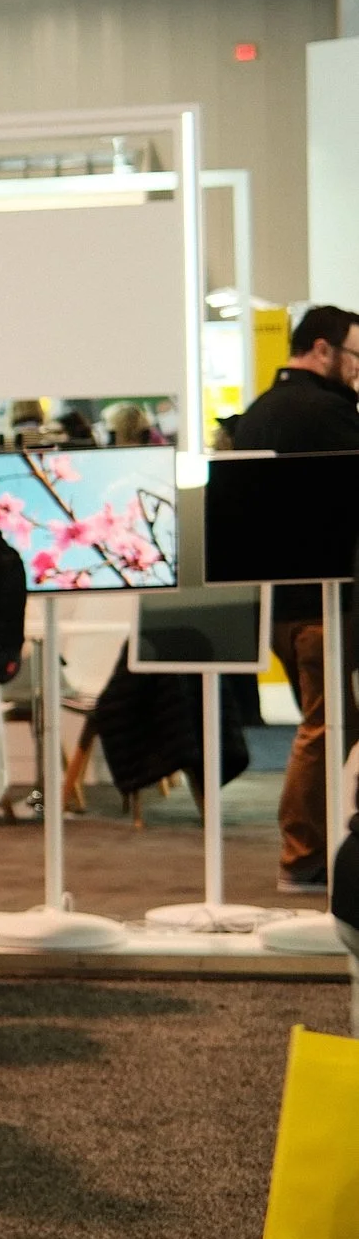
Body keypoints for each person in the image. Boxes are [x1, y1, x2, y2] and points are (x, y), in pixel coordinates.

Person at [229, 305, 359, 891]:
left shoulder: (260, 412)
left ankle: (312, 854)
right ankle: (303, 857)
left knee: (326, 723)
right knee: (327, 725)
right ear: (324, 349)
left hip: (281, 604)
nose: (357, 369)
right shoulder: (327, 414)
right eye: (355, 355)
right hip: (321, 603)